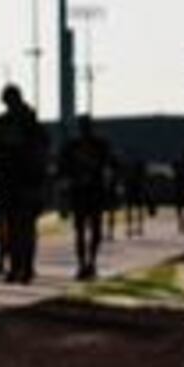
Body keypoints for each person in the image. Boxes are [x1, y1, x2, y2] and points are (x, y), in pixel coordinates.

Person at [0, 84, 47, 284]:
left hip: (24, 179)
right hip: (10, 180)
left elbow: (40, 148)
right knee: (14, 226)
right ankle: (17, 266)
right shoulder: (9, 122)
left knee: (23, 226)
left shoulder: (28, 122)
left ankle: (24, 267)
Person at [57, 113, 117, 280]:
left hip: (95, 192)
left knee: (95, 231)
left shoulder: (100, 145)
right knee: (80, 231)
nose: (85, 129)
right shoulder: (72, 146)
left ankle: (91, 261)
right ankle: (83, 263)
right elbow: (63, 168)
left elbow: (110, 165)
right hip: (79, 192)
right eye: (83, 126)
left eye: (86, 126)